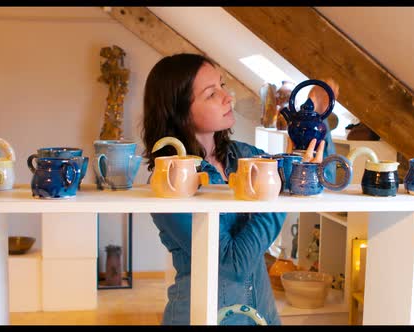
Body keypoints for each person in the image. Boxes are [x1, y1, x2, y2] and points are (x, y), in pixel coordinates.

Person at [141, 53, 333, 325]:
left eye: (222, 85)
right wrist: (275, 196)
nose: (227, 97)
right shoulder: (171, 181)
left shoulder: (244, 157)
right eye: (211, 94)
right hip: (201, 316)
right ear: (179, 110)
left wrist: (317, 124)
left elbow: (327, 177)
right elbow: (232, 266)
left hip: (262, 316)